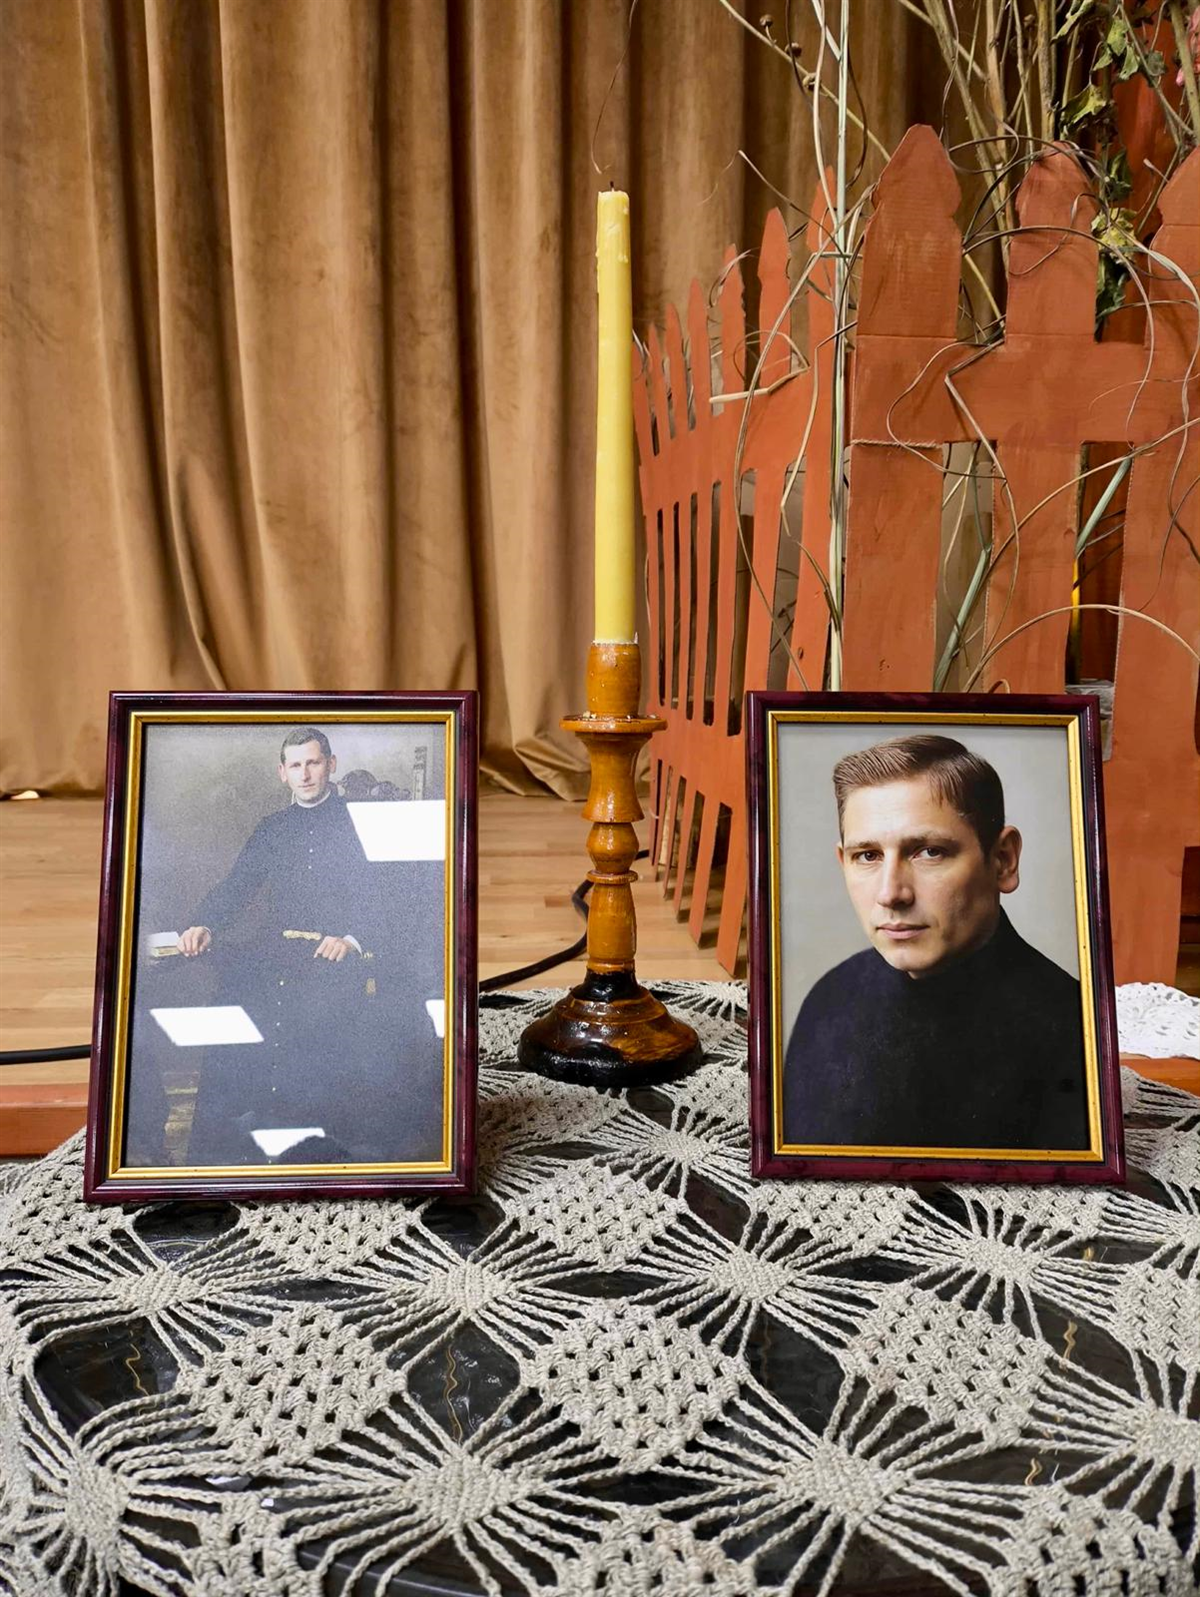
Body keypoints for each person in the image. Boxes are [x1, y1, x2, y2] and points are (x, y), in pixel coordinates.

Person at [782, 734, 1090, 1151]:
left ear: (1003, 860)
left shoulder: (1074, 1029)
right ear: (843, 862)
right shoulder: (830, 997)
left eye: (929, 852)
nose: (890, 893)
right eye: (868, 856)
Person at [170, 727, 444, 1167]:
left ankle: (318, 1140)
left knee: (316, 1014)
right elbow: (237, 885)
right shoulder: (272, 828)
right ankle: (224, 1146)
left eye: (313, 763)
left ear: (331, 765)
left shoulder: (360, 822)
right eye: (296, 766)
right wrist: (203, 923)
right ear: (283, 773)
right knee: (231, 1003)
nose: (306, 774)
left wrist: (353, 939)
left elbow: (393, 896)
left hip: (341, 954)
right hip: (278, 953)